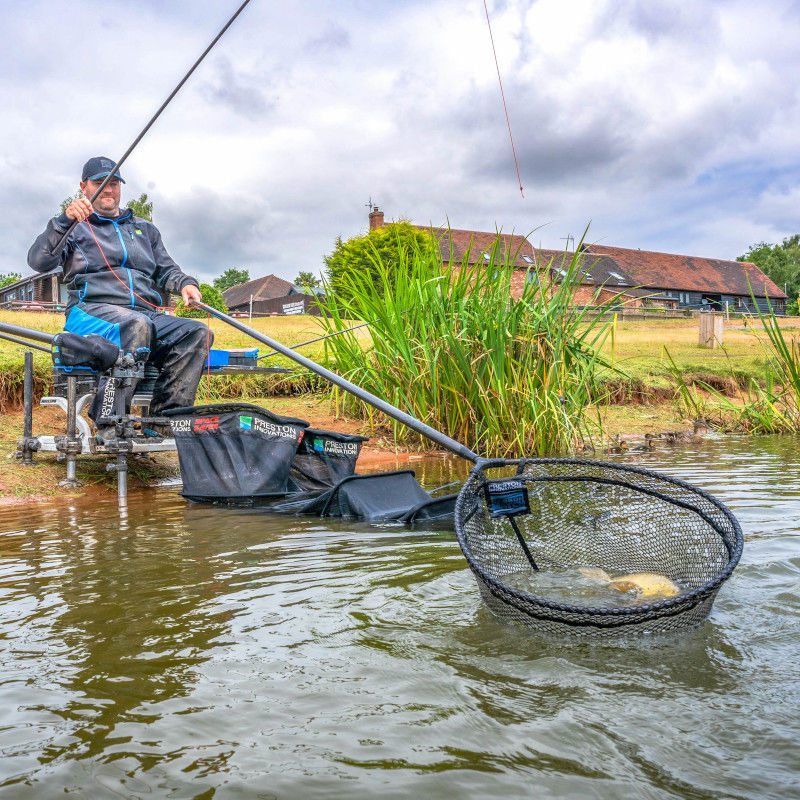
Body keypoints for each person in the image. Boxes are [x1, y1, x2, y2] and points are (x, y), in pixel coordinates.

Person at [28, 156, 211, 437]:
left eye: (113, 183)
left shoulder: (145, 229)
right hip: (90, 310)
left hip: (146, 315)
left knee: (197, 332)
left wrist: (185, 283)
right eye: (100, 183)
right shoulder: (73, 227)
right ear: (83, 187)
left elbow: (167, 269)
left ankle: (164, 422)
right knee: (135, 324)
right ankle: (109, 421)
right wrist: (63, 221)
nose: (109, 190)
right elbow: (38, 261)